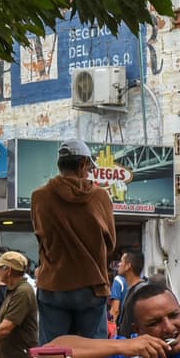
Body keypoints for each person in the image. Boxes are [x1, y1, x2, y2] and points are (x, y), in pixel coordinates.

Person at [29, 139, 116, 343]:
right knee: (95, 350)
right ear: (82, 164)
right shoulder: (100, 197)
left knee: (52, 353)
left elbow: (40, 237)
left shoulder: (39, 197)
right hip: (92, 285)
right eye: (88, 168)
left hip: (53, 285)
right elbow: (110, 242)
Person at [111, 250, 147, 334]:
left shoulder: (140, 291)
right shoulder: (132, 288)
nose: (119, 264)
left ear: (128, 266)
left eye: (121, 261)